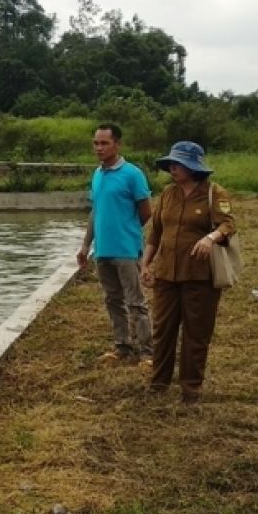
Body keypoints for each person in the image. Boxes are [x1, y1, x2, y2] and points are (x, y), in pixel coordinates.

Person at [140, 141, 235, 403]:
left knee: (196, 331)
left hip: (199, 276)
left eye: (178, 163)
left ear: (194, 167)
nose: (173, 167)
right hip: (166, 275)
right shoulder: (168, 194)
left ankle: (191, 387)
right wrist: (146, 264)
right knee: (163, 329)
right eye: (171, 163)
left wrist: (210, 238)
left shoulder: (214, 194)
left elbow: (228, 225)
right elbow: (156, 232)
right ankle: (159, 381)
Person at [77, 123, 153, 364]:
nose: (98, 148)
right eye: (96, 143)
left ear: (117, 144)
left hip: (126, 250)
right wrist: (85, 245)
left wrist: (127, 231)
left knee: (135, 302)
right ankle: (122, 346)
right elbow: (95, 212)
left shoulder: (132, 174)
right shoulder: (98, 174)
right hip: (103, 251)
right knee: (112, 300)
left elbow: (145, 211)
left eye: (104, 143)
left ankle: (147, 352)